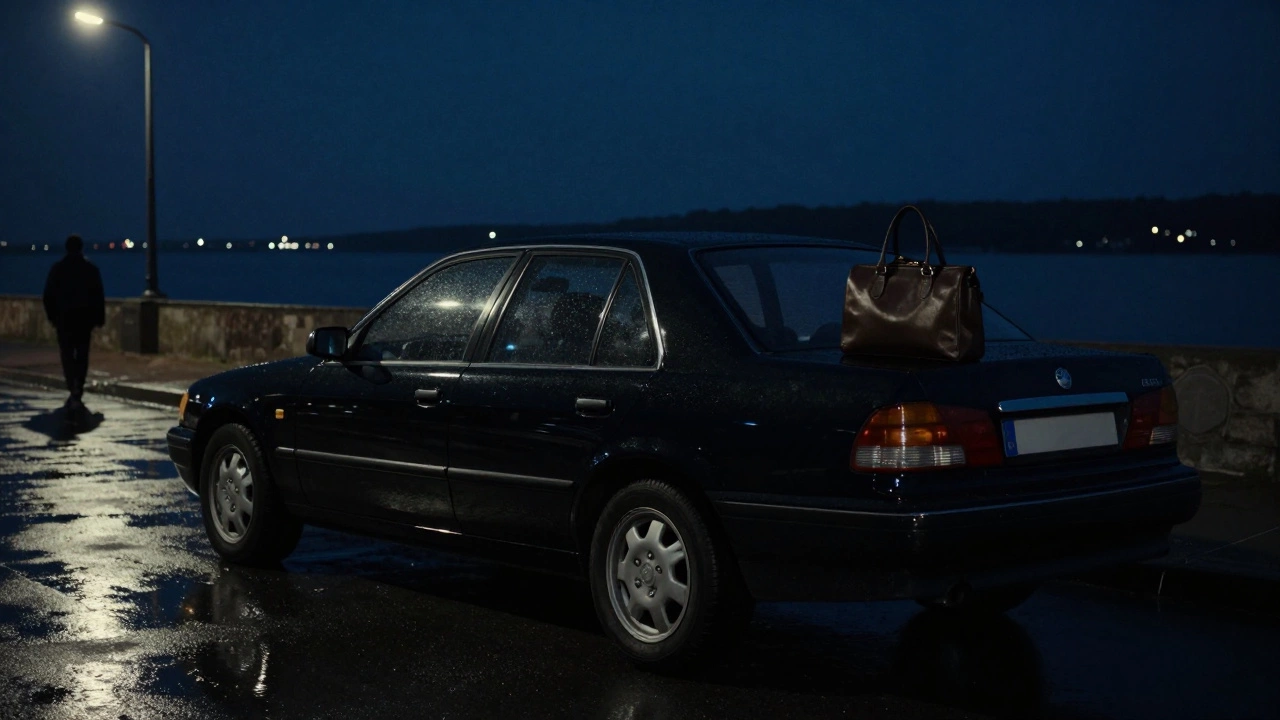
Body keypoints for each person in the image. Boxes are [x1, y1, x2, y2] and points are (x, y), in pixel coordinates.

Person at [42, 234, 105, 410]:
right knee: (82, 354)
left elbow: (48, 296)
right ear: (81, 247)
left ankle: (72, 385)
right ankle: (79, 385)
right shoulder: (90, 269)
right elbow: (98, 295)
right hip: (84, 320)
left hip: (64, 320)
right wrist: (99, 318)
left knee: (67, 354)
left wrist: (52, 317)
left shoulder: (58, 269)